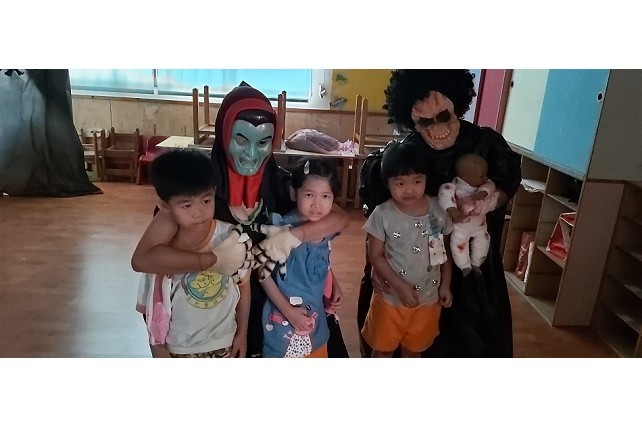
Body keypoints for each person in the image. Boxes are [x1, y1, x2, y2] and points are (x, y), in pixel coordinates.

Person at [131, 83, 350, 358]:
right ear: (224, 135)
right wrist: (211, 260)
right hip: (212, 327)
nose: (251, 153)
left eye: (262, 142)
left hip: (282, 315)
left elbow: (340, 218)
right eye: (241, 140)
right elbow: (143, 260)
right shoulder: (198, 192)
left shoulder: (282, 184)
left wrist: (298, 236)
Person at [357, 70, 522, 358]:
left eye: (443, 116)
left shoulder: (486, 145)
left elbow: (508, 181)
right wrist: (375, 267)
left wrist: (487, 200)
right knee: (398, 339)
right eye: (425, 121)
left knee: (471, 342)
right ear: (412, 119)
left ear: (456, 105)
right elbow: (381, 219)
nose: (436, 128)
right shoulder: (405, 154)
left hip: (471, 264)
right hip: (411, 269)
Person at [136, 149, 250, 358]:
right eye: (187, 205)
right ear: (164, 206)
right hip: (179, 350)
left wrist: (242, 333)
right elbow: (149, 307)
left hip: (225, 343)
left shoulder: (230, 237)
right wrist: (158, 349)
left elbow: (243, 286)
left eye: (206, 201)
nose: (199, 213)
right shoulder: (159, 257)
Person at [361, 141, 453, 358]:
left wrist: (446, 285)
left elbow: (445, 253)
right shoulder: (382, 214)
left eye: (417, 181)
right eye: (400, 183)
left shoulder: (439, 210)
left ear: (426, 179)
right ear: (387, 183)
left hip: (428, 299)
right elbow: (375, 255)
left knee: (414, 351)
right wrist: (400, 286)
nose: (410, 190)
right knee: (383, 350)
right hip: (390, 300)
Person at [260, 157, 343, 358]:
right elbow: (262, 274)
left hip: (316, 322)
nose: (317, 204)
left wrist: (335, 286)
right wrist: (289, 312)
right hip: (284, 323)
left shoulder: (327, 228)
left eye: (325, 196)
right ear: (293, 193)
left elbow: (321, 261)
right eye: (309, 194)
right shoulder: (283, 230)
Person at [438, 153, 498, 277]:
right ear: (464, 177)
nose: (485, 178)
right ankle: (464, 266)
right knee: (458, 244)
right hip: (461, 225)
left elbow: (491, 186)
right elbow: (444, 195)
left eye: (486, 174)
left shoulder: (484, 185)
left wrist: (482, 193)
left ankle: (477, 263)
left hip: (480, 225)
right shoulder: (454, 186)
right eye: (481, 176)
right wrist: (452, 210)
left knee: (483, 241)